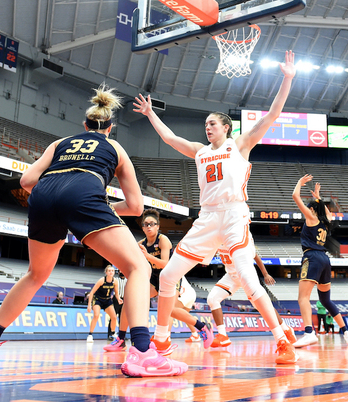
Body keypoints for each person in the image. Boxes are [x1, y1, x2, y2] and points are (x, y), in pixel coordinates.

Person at [0, 84, 186, 377]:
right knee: (138, 268)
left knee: (35, 274)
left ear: (84, 126)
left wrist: (59, 200)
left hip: (44, 194)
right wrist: (98, 205)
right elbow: (135, 207)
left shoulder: (61, 143)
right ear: (110, 128)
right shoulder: (115, 147)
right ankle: (144, 352)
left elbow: (26, 181)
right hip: (84, 193)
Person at [133, 51, 298, 365]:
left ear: (226, 127)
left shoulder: (241, 144)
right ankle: (162, 340)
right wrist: (151, 114)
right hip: (207, 218)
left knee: (248, 280)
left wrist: (287, 77)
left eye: (212, 124)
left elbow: (272, 114)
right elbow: (169, 138)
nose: (207, 128)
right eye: (205, 124)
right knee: (167, 276)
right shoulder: (198, 151)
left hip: (234, 214)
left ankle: (281, 340)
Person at [106, 209, 214, 352]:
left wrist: (147, 256)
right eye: (146, 224)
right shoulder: (140, 244)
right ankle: (121, 339)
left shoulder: (163, 240)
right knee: (129, 300)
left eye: (152, 224)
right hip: (154, 279)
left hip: (170, 276)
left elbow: (165, 264)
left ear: (158, 226)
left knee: (168, 311)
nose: (149, 226)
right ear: (143, 227)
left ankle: (203, 327)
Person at [290, 175, 348, 348]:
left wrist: (299, 183)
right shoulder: (326, 223)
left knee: (303, 297)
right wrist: (317, 197)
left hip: (312, 257)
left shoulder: (311, 219)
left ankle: (309, 332)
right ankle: (346, 331)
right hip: (325, 260)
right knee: (326, 300)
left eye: (310, 208)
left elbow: (295, 197)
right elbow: (327, 212)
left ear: (312, 210)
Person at [206, 247, 296, 348]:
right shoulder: (217, 236)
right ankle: (223, 335)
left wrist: (265, 274)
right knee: (212, 299)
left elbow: (255, 255)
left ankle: (286, 329)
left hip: (246, 275)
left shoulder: (238, 236)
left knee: (261, 305)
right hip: (232, 276)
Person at [86, 265, 119, 343]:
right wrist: (89, 305)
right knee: (96, 315)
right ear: (106, 272)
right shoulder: (102, 280)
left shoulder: (115, 281)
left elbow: (116, 293)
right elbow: (92, 293)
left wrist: (119, 299)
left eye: (112, 271)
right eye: (109, 271)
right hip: (98, 299)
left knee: (114, 317)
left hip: (107, 300)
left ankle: (113, 334)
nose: (111, 272)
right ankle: (90, 335)